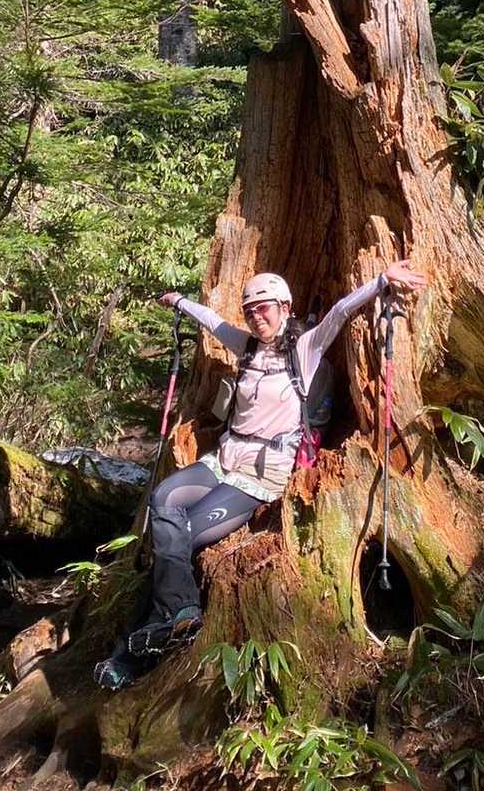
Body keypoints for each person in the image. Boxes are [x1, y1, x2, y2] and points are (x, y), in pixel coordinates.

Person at [93, 259, 426, 691]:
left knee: (180, 539)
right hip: (224, 460)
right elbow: (213, 322)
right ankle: (180, 612)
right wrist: (179, 302)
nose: (256, 316)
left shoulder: (304, 348)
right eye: (250, 310)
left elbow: (340, 312)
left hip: (260, 474)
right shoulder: (247, 346)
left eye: (263, 308)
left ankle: (129, 654)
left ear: (284, 307)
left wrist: (381, 281)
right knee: (163, 501)